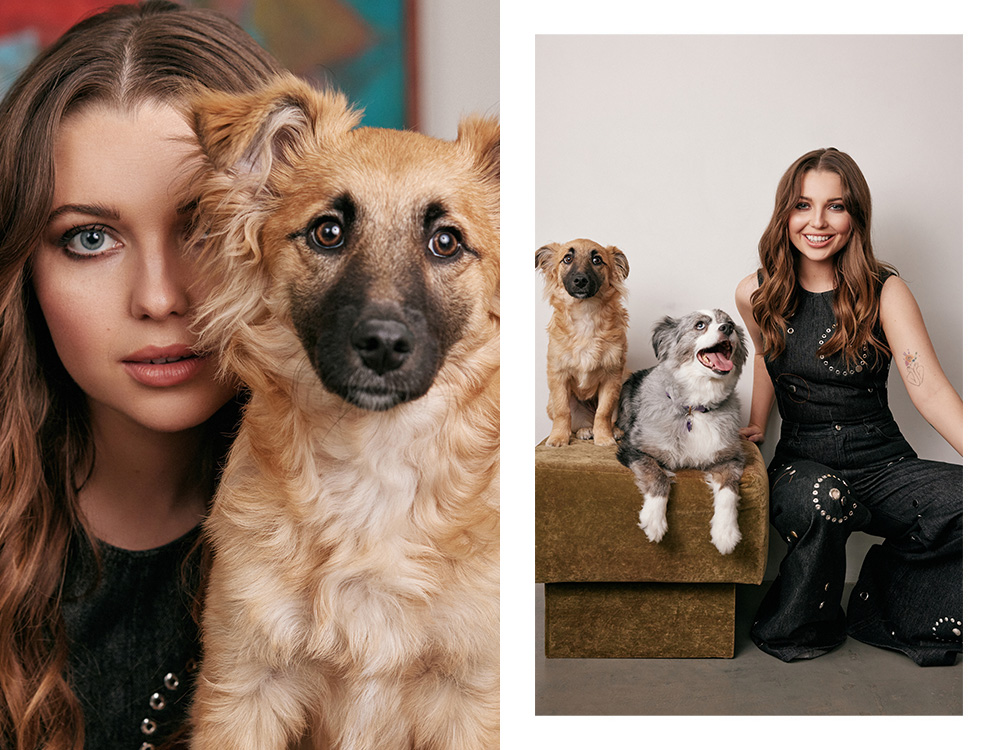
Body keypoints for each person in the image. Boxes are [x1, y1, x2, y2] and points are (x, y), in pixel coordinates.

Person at [0, 3, 281, 748]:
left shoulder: (406, 542)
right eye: (90, 238)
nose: (158, 298)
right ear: (25, 271)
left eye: (203, 227)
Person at [734, 148, 963, 667]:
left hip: (882, 462)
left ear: (855, 215)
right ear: (784, 214)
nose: (817, 222)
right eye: (802, 205)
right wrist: (757, 421)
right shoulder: (756, 292)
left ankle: (882, 596)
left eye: (834, 206)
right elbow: (766, 357)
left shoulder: (886, 291)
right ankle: (803, 624)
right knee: (824, 496)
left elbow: (929, 390)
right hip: (803, 463)